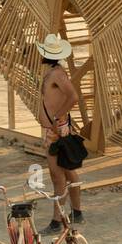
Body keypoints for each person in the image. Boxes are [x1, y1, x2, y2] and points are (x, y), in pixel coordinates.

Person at [37, 33, 83, 232]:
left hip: (55, 130)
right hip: (54, 129)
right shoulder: (54, 72)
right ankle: (77, 212)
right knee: (67, 169)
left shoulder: (56, 74)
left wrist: (58, 117)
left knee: (57, 176)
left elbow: (73, 96)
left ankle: (57, 220)